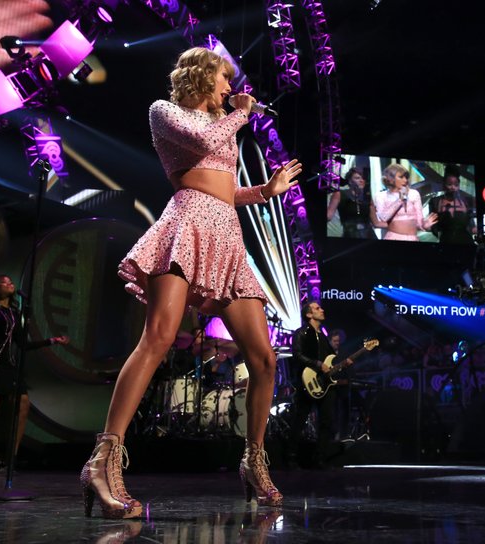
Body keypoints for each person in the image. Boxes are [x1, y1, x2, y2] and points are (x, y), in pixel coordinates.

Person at [79, 47, 301, 518]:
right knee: (158, 337)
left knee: (263, 357)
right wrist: (240, 115)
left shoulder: (224, 123)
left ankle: (254, 459)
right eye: (224, 79)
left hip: (226, 232)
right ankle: (103, 458)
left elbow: (223, 184)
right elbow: (200, 149)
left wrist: (263, 192)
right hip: (186, 225)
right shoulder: (167, 113)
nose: (230, 88)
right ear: (202, 76)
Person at [0, 275, 68, 476]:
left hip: (5, 366)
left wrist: (52, 340)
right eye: (3, 282)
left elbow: (22, 344)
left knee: (22, 402)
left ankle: (10, 459)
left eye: (10, 281)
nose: (9, 283)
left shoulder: (14, 313)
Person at [288, 302, 351, 468]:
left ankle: (320, 458)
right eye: (317, 308)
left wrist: (343, 364)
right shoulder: (300, 333)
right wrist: (317, 364)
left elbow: (331, 360)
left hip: (325, 383)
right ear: (309, 315)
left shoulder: (323, 337)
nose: (322, 309)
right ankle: (291, 456)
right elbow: (297, 355)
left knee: (326, 421)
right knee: (300, 419)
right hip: (306, 382)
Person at [370, 163, 437, 241]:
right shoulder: (381, 196)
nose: (405, 180)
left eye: (406, 177)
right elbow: (384, 218)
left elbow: (419, 223)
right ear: (390, 179)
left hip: (412, 238)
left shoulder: (414, 194)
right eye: (401, 177)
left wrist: (424, 225)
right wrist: (400, 199)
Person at [427, 165, 476, 244]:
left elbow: (471, 224)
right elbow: (433, 225)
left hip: (466, 242)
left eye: (456, 185)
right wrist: (439, 234)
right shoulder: (435, 201)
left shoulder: (466, 201)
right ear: (444, 184)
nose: (453, 187)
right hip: (446, 242)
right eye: (449, 184)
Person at [326, 167, 376, 239]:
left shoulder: (368, 197)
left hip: (369, 235)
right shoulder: (339, 194)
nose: (361, 180)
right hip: (351, 235)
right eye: (357, 178)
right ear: (350, 181)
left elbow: (376, 223)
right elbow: (328, 216)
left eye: (363, 178)